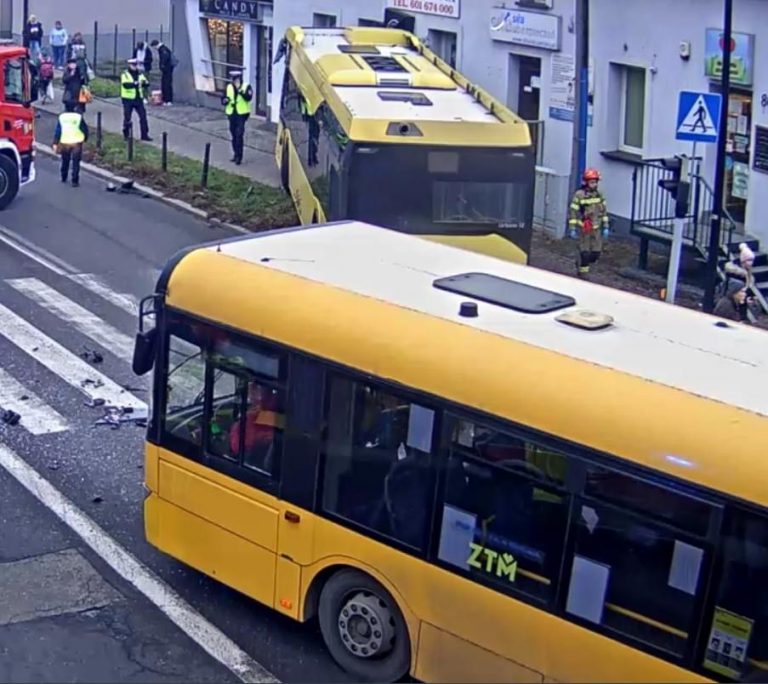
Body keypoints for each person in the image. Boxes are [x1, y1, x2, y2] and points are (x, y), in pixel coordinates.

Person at [569, 168, 610, 278]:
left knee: (596, 253)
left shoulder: (599, 195)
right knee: (585, 253)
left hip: (596, 229)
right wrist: (572, 228)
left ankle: (583, 265)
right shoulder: (579, 195)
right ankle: (583, 273)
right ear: (586, 182)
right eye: (592, 182)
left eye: (595, 182)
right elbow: (573, 212)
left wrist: (606, 227)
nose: (594, 184)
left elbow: (604, 212)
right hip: (584, 229)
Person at [53, 102, 89, 187]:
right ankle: (75, 180)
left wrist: (55, 142)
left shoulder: (62, 117)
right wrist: (85, 138)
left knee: (65, 160)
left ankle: (64, 176)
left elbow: (58, 131)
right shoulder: (78, 117)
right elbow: (84, 129)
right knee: (76, 162)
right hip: (76, 142)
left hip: (65, 142)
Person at [222, 70, 252, 165]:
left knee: (239, 134)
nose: (234, 81)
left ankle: (239, 156)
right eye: (232, 79)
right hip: (231, 113)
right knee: (233, 134)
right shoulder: (228, 87)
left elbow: (249, 97)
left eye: (235, 79)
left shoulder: (246, 86)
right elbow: (223, 98)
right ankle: (235, 154)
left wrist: (240, 91)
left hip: (242, 114)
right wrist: (225, 101)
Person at [121, 58, 152, 141]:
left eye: (136, 65)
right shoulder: (125, 74)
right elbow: (126, 85)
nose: (134, 67)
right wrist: (136, 84)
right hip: (127, 99)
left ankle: (144, 135)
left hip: (138, 99)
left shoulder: (140, 74)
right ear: (129, 65)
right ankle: (126, 135)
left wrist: (144, 83)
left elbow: (146, 83)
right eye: (133, 65)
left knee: (143, 117)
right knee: (127, 118)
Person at [150, 39, 175, 106]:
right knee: (165, 84)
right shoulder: (164, 48)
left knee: (166, 84)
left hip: (167, 70)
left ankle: (168, 100)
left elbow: (165, 57)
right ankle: (166, 100)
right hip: (167, 69)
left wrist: (162, 65)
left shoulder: (163, 49)